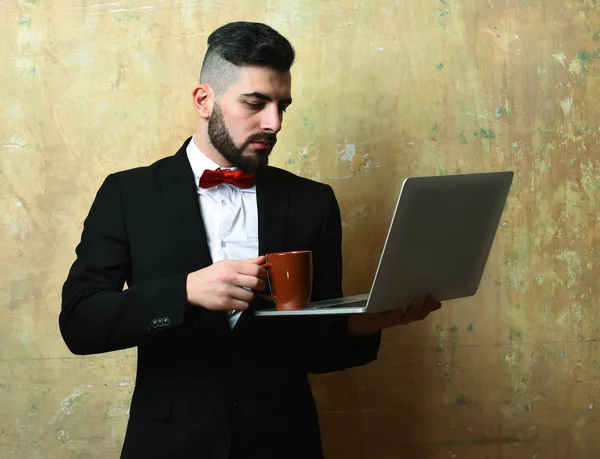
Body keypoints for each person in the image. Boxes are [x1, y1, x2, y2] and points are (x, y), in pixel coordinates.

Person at [59, 21, 442, 459]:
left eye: (282, 106)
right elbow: (80, 323)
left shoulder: (312, 202)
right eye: (256, 103)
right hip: (169, 445)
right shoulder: (127, 194)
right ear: (204, 100)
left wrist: (372, 319)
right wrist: (185, 292)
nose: (274, 123)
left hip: (283, 442)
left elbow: (319, 347)